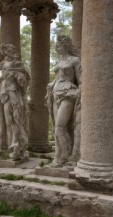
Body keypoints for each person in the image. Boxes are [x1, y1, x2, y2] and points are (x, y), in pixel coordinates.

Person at [46, 35, 81, 166]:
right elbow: (56, 78)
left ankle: (62, 156)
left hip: (67, 94)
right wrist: (51, 84)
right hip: (55, 94)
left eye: (58, 46)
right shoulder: (58, 61)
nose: (56, 48)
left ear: (65, 45)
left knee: (59, 127)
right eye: (55, 46)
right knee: (58, 127)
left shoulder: (75, 60)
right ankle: (61, 154)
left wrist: (79, 92)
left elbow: (81, 80)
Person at [0, 44, 30, 160]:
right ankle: (3, 145)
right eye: (6, 50)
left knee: (12, 120)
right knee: (1, 120)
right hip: (1, 91)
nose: (8, 52)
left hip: (12, 92)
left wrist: (18, 76)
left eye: (10, 50)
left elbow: (26, 78)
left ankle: (15, 145)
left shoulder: (18, 64)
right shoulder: (2, 64)